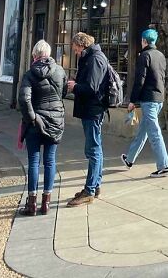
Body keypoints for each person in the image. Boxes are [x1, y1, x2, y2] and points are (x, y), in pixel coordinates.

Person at [18, 40, 68, 216]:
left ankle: (31, 204)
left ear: (35, 55)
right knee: (50, 160)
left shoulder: (29, 74)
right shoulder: (60, 70)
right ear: (49, 54)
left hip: (35, 123)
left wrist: (32, 117)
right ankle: (46, 203)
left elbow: (24, 99)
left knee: (33, 161)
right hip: (55, 121)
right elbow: (63, 93)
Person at [66, 32, 109, 206]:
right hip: (90, 110)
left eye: (75, 48)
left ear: (82, 44)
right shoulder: (90, 57)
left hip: (93, 110)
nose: (75, 51)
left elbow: (92, 88)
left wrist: (75, 86)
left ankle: (89, 190)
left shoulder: (95, 59)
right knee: (95, 149)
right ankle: (95, 185)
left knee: (93, 150)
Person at [121, 29, 168, 178]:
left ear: (144, 41)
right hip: (159, 98)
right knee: (143, 131)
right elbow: (162, 76)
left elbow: (139, 81)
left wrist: (132, 101)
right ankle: (129, 159)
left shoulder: (144, 56)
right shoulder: (160, 55)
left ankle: (164, 166)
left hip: (148, 99)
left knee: (154, 133)